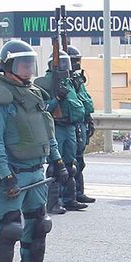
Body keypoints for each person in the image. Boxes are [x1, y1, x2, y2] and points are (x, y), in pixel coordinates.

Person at [0, 40, 67, 262]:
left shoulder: (35, 94)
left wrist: (57, 161)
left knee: (39, 224)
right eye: (22, 63)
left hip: (36, 171)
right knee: (9, 228)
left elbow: (47, 132)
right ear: (7, 66)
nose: (27, 68)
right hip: (13, 172)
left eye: (30, 63)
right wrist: (5, 173)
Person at [36, 49, 91, 215]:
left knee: (71, 164)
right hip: (56, 127)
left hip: (70, 126)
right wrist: (56, 99)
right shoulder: (44, 83)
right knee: (55, 166)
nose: (67, 67)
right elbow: (42, 109)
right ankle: (53, 202)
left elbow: (79, 104)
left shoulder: (68, 82)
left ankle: (69, 199)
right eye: (63, 64)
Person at [67, 45, 98, 208]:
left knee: (79, 161)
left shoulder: (77, 80)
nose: (77, 64)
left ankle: (78, 193)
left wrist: (88, 119)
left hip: (80, 123)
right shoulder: (60, 81)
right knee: (68, 164)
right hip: (67, 125)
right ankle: (65, 197)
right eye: (74, 61)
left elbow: (83, 100)